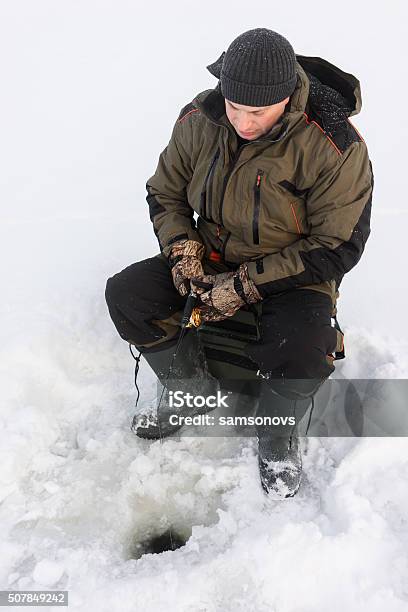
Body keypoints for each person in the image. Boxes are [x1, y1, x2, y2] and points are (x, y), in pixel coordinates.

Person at [105, 28, 373, 498]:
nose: (243, 123)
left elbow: (337, 245)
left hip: (293, 273)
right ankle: (191, 395)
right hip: (211, 255)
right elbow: (164, 193)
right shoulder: (199, 118)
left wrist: (245, 286)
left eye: (257, 112)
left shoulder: (333, 144)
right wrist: (184, 253)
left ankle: (275, 434)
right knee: (128, 294)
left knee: (305, 347)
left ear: (287, 97)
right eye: (234, 107)